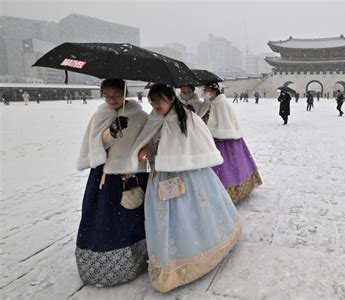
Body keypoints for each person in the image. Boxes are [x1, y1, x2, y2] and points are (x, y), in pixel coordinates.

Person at [131, 84, 242, 292]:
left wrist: (179, 157)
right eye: (153, 102)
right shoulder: (155, 118)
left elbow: (195, 144)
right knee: (167, 217)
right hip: (161, 176)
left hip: (188, 176)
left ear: (172, 99)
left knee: (191, 212)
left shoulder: (187, 118)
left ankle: (196, 253)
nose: (156, 106)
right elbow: (152, 144)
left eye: (160, 101)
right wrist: (147, 150)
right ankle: (169, 260)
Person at [75, 79, 149, 287]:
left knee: (133, 218)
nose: (111, 100)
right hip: (107, 178)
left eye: (116, 95)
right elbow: (95, 146)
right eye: (106, 95)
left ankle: (139, 259)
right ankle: (105, 267)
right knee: (105, 220)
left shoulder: (140, 116)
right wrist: (111, 133)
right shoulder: (101, 115)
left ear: (125, 93)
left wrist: (138, 161)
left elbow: (146, 143)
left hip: (133, 175)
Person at [204, 82, 263, 203]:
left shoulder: (220, 103)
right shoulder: (215, 103)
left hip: (224, 139)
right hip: (225, 137)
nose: (205, 93)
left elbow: (222, 121)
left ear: (214, 91)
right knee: (237, 164)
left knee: (227, 167)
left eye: (207, 90)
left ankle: (230, 189)